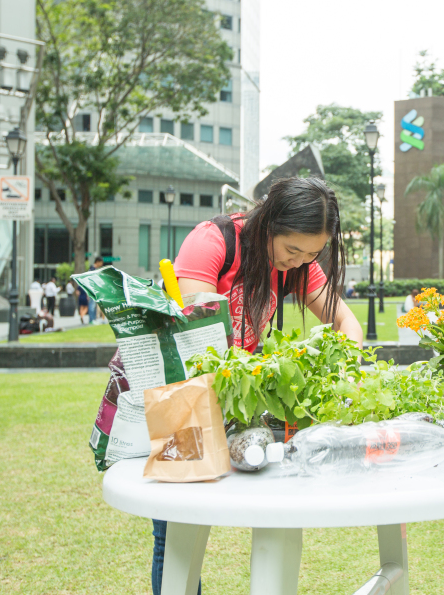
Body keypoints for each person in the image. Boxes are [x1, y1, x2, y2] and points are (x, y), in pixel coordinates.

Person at [147, 177, 362, 595]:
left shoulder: (297, 260)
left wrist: (344, 368)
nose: (299, 262)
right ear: (268, 225)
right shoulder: (212, 242)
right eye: (293, 250)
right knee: (177, 531)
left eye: (312, 254)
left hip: (237, 397)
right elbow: (198, 342)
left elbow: (345, 321)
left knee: (275, 514)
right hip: (185, 395)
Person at [88, 256, 105, 324]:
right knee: (92, 305)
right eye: (101, 262)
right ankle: (91, 320)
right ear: (97, 262)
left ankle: (93, 319)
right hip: (92, 289)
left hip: (94, 289)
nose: (101, 264)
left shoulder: (94, 269)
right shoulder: (92, 269)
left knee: (94, 305)